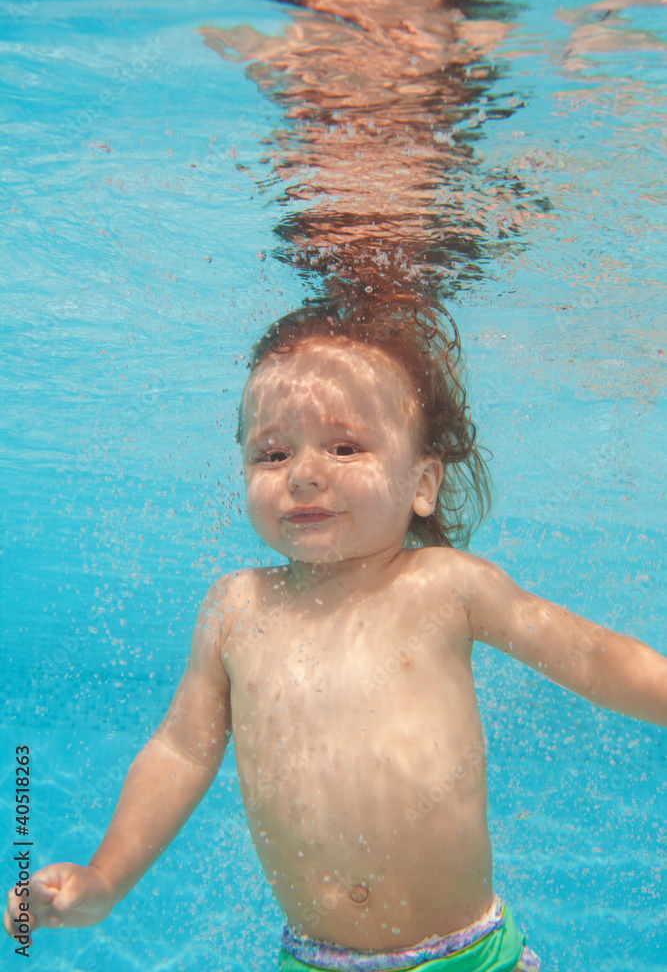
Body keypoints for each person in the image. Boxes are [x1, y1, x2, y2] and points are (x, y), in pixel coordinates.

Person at [5, 296, 667, 972]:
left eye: (345, 446)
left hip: (471, 959)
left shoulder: (445, 585)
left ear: (423, 482)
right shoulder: (235, 609)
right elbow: (181, 753)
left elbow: (588, 656)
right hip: (311, 961)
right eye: (272, 452)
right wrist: (105, 878)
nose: (304, 473)